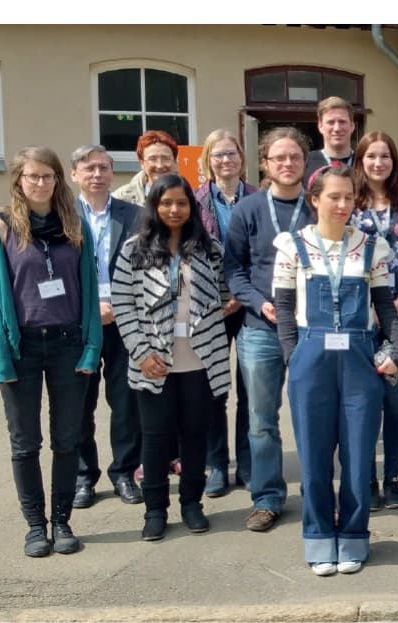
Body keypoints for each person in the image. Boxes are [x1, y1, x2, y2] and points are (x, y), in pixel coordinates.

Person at [273, 164, 398, 576]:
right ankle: (317, 537)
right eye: (334, 196)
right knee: (313, 456)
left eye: (349, 197)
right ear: (314, 200)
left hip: (359, 358)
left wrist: (397, 348)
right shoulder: (292, 246)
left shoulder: (372, 247)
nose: (344, 204)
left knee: (359, 454)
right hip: (311, 357)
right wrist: (293, 355)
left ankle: (352, 537)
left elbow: (385, 307)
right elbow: (283, 310)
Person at [0, 146, 102, 557]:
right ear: (19, 180)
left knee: (67, 439)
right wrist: (2, 359)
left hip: (69, 345)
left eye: (48, 176)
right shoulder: (0, 228)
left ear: (58, 179)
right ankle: (36, 526)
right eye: (32, 176)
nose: (40, 183)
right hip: (23, 349)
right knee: (25, 443)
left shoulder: (75, 224)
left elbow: (88, 291)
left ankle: (62, 521)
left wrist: (91, 348)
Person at [111, 174, 230, 541]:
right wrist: (142, 351)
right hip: (154, 362)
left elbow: (225, 293)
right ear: (154, 207)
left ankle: (192, 504)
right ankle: (155, 510)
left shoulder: (209, 250)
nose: (174, 209)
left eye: (181, 203)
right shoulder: (134, 250)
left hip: (199, 360)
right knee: (156, 438)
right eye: (166, 203)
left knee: (196, 434)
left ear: (191, 207)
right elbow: (123, 305)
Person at [224, 127, 315, 532]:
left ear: (304, 161)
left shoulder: (317, 208)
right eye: (279, 158)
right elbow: (234, 269)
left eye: (294, 156)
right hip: (260, 328)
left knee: (312, 415)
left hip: (308, 329)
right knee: (261, 419)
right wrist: (259, 301)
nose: (288, 163)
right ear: (265, 164)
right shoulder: (248, 210)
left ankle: (316, 494)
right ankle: (267, 497)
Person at [350, 131, 398, 510]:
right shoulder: (349, 203)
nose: (378, 163)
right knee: (364, 400)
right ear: (361, 160)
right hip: (358, 317)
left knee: (396, 400)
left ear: (394, 162)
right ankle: (366, 477)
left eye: (385, 156)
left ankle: (393, 477)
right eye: (371, 156)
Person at [69, 145, 144, 509]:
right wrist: (89, 307)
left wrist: (118, 304)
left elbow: (147, 266)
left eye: (103, 168)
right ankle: (84, 477)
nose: (97, 174)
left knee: (125, 400)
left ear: (112, 173)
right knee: (80, 402)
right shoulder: (61, 216)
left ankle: (124, 472)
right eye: (89, 168)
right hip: (80, 322)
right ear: (74, 175)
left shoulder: (136, 215)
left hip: (125, 318)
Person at [194, 129, 255, 498]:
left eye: (231, 153)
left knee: (251, 388)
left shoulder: (258, 199)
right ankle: (217, 463)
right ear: (207, 161)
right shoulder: (196, 200)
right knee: (214, 388)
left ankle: (247, 462)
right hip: (210, 307)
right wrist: (218, 297)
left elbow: (266, 255)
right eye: (218, 155)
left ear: (241, 159)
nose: (226, 160)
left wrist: (242, 295)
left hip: (250, 305)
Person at [113, 130, 178, 207]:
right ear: (142, 163)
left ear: (175, 161)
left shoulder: (189, 196)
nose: (159, 165)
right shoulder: (121, 199)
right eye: (153, 159)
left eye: (165, 158)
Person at [304, 96, 357, 184]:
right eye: (331, 122)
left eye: (342, 122)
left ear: (352, 126)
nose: (337, 128)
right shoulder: (305, 162)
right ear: (320, 126)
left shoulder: (364, 162)